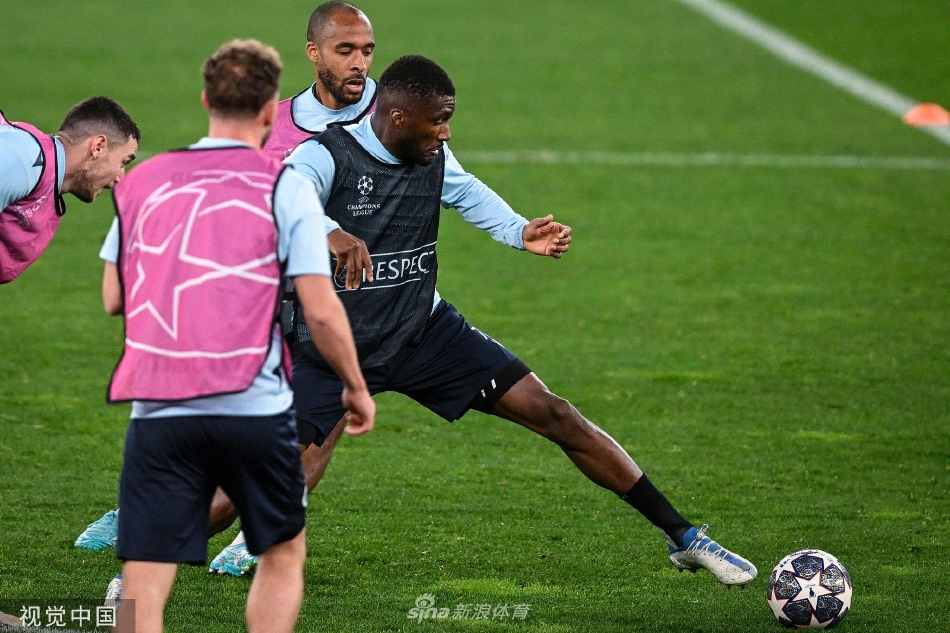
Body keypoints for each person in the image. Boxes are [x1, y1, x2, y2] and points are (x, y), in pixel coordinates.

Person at [223, 54, 758, 586]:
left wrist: (520, 231)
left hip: (422, 332)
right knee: (246, 486)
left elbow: (467, 191)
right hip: (333, 349)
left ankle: (684, 536)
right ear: (399, 117)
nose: (446, 132)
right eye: (439, 120)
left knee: (556, 413)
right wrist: (329, 231)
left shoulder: (431, 155)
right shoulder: (325, 155)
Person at [74, 1, 380, 566]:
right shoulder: (280, 145)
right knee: (269, 442)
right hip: (269, 310)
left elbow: (117, 297)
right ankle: (185, 526)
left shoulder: (395, 118)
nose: (359, 61)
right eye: (347, 49)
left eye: (366, 50)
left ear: (205, 101)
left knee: (308, 428)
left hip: (342, 301)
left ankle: (194, 543)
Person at [0, 97, 139, 283]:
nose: (120, 178)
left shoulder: (37, 167)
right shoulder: (23, 163)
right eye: (123, 162)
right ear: (98, 147)